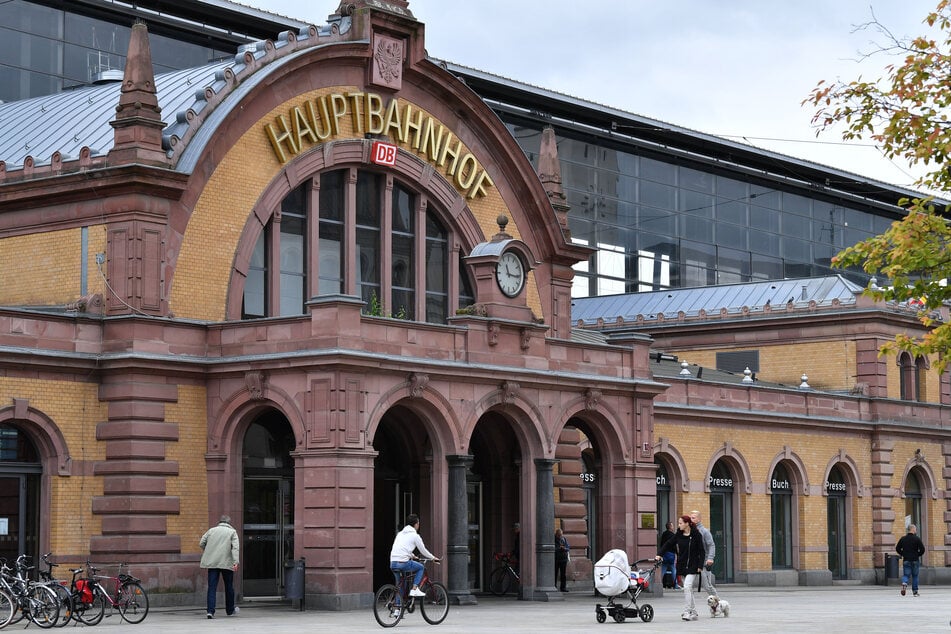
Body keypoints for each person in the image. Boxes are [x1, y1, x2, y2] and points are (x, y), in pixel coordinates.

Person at [656, 514, 705, 621]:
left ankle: (687, 612)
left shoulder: (696, 535)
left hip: (693, 565)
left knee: (687, 587)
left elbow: (702, 551)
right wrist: (660, 554)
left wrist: (700, 565)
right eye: (678, 523)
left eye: (680, 523)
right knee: (689, 590)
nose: (679, 525)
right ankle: (694, 612)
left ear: (687, 524)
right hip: (682, 565)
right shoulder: (678, 534)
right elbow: (668, 544)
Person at [390, 514, 440, 600]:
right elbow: (423, 550)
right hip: (402, 563)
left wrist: (412, 556)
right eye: (418, 523)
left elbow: (401, 548)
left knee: (400, 586)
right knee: (421, 567)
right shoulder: (415, 536)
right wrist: (433, 558)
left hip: (393, 563)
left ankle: (397, 610)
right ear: (416, 524)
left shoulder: (400, 534)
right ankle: (414, 588)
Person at [199, 514, 240, 619]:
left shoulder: (211, 531)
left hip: (213, 562)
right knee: (229, 586)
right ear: (229, 523)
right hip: (226, 562)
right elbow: (235, 548)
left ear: (220, 522)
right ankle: (230, 610)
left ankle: (210, 611)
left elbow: (201, 543)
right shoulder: (232, 532)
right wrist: (235, 562)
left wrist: (209, 551)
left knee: (212, 587)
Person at [689, 509, 719, 599]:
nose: (691, 520)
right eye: (690, 518)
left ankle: (719, 603)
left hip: (704, 562)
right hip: (692, 563)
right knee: (688, 586)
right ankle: (690, 609)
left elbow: (711, 545)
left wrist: (710, 558)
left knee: (707, 586)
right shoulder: (689, 531)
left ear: (698, 519)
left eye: (693, 518)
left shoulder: (705, 531)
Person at [896, 523, 926, 597]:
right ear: (912, 529)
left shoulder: (903, 539)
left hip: (906, 560)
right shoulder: (917, 539)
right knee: (915, 576)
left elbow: (897, 548)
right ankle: (915, 592)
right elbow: (922, 549)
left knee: (906, 575)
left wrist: (903, 554)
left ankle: (904, 583)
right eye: (915, 529)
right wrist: (918, 554)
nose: (916, 530)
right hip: (915, 560)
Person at [659, 521, 679, 589]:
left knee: (663, 569)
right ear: (670, 527)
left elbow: (661, 544)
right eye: (672, 526)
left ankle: (659, 583)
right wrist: (677, 553)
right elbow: (675, 545)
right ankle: (675, 585)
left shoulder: (663, 534)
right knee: (673, 569)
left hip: (664, 554)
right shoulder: (673, 535)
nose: (673, 527)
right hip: (671, 554)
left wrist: (660, 553)